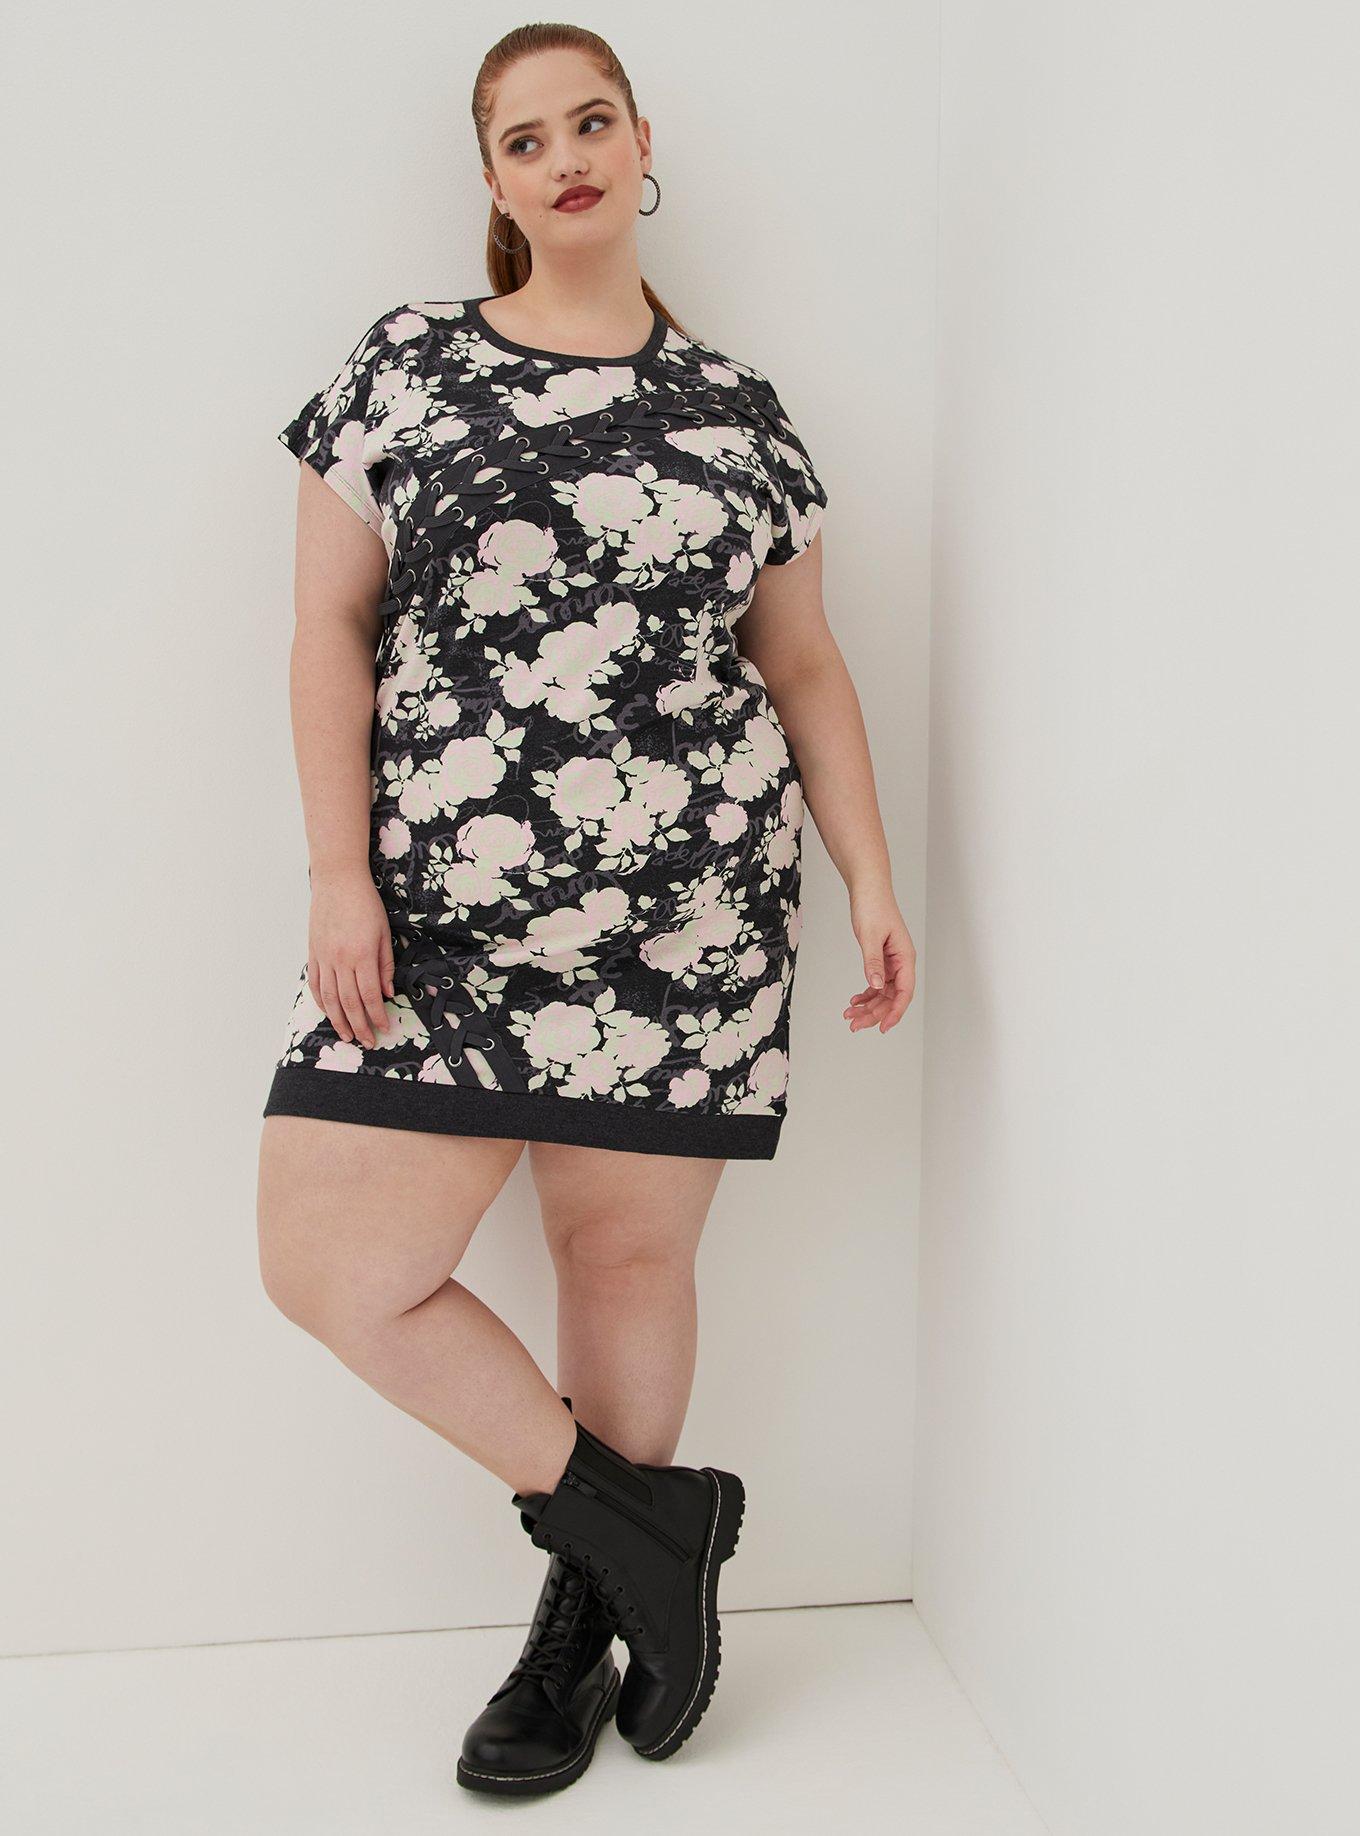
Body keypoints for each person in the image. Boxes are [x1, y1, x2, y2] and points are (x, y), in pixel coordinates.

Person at [256, 19, 916, 1800]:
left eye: (591, 121)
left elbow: (805, 665)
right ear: (492, 180)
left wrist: (867, 873)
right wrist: (337, 870)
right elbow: (328, 627)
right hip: (443, 908)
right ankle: (650, 1533)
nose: (564, 157)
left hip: (688, 910)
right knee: (330, 1265)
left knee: (622, 1262)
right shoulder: (404, 364)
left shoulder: (740, 412)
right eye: (525, 137)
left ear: (641, 146)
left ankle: (582, 1629)